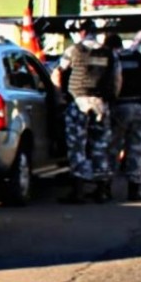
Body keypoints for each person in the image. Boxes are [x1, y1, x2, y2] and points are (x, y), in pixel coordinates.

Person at [50, 19, 121, 204]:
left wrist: (60, 97)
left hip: (79, 102)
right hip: (100, 104)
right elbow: (116, 80)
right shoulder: (109, 53)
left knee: (77, 146)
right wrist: (110, 99)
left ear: (81, 32)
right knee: (100, 146)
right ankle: (102, 190)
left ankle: (78, 191)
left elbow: (57, 72)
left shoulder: (73, 50)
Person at [106, 32, 141, 201]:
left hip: (119, 107)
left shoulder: (112, 58)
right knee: (136, 149)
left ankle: (106, 187)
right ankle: (134, 189)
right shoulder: (138, 57)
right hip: (139, 106)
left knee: (113, 147)